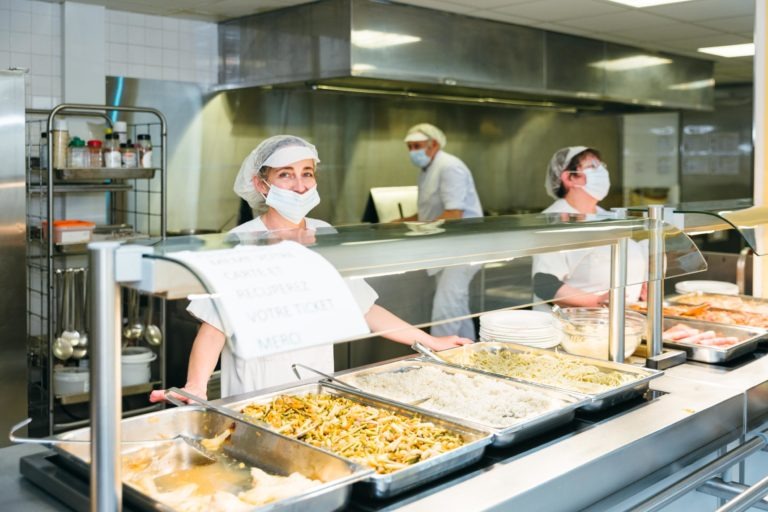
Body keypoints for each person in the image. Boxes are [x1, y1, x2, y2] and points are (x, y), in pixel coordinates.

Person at [150, 135, 470, 402]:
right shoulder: (240, 241)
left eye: (307, 173)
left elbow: (363, 308)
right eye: (286, 174)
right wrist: (196, 385)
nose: (301, 186)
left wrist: (430, 341)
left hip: (316, 388)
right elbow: (214, 327)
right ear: (261, 185)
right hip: (257, 394)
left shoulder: (324, 234)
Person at [531, 146, 647, 309]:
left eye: (601, 166)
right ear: (568, 178)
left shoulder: (607, 216)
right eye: (592, 167)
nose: (602, 172)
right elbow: (545, 285)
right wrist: (597, 301)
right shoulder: (553, 221)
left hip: (620, 318)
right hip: (575, 324)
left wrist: (643, 279)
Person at [401, 123, 483, 339]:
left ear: (433, 144)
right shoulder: (428, 169)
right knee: (457, 306)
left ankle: (440, 356)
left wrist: (420, 226)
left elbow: (454, 215)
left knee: (446, 308)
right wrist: (397, 222)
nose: (413, 152)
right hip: (446, 248)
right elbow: (426, 213)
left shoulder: (449, 167)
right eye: (409, 147)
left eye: (417, 146)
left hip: (464, 248)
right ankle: (468, 351)